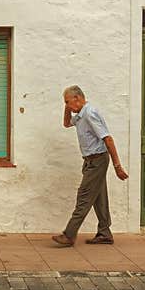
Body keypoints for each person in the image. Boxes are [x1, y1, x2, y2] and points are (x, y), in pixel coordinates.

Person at [52, 85, 129, 247]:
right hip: (90, 161)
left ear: (78, 99)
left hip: (98, 161)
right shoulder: (80, 115)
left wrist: (117, 166)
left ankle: (69, 235)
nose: (67, 105)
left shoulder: (89, 113)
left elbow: (108, 138)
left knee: (84, 196)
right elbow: (66, 124)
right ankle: (105, 233)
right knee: (99, 198)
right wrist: (67, 108)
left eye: (68, 102)